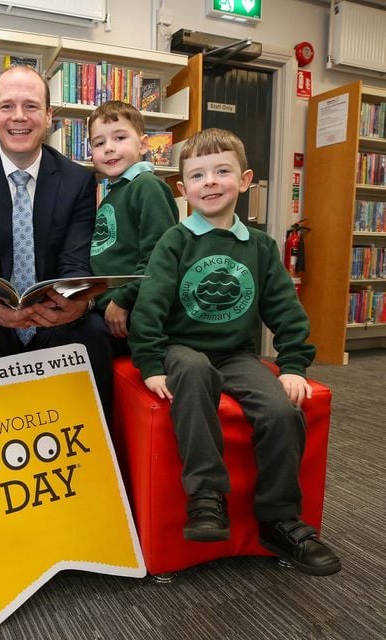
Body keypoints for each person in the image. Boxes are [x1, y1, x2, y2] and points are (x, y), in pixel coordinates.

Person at [128, 128, 341, 576]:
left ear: (243, 180)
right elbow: (149, 307)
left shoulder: (260, 246)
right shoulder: (176, 241)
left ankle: (279, 518)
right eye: (199, 175)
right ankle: (206, 497)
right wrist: (149, 362)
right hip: (181, 348)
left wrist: (294, 365)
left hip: (238, 355)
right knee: (192, 369)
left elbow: (285, 309)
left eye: (222, 171)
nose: (210, 182)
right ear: (183, 189)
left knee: (283, 412)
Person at [0, 64, 113, 418]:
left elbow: (75, 263)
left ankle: (93, 460)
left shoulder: (78, 181)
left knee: (92, 330)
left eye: (31, 106)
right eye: (7, 106)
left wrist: (74, 304)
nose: (18, 117)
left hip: (53, 313)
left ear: (49, 116)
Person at [87, 100, 179, 354]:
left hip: (129, 312)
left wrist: (123, 299)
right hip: (105, 305)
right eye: (99, 143)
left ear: (143, 144)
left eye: (119, 137)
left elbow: (159, 255)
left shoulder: (147, 187)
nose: (109, 149)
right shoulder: (114, 193)